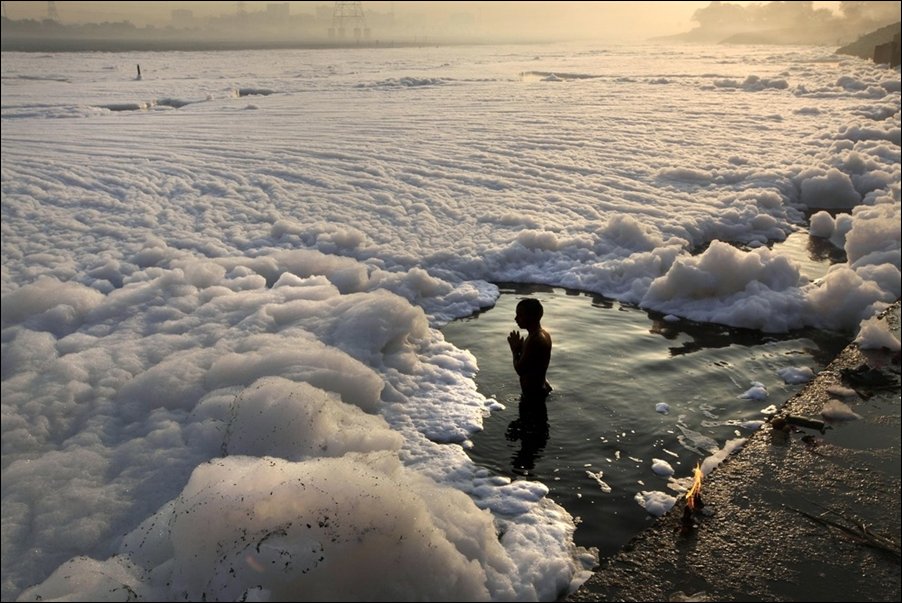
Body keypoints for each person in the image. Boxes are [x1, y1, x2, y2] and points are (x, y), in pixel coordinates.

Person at [507, 298, 552, 402]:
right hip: (540, 389)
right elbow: (533, 365)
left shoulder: (535, 339)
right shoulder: (542, 334)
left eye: (520, 315)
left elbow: (520, 370)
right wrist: (521, 349)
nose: (516, 318)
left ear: (531, 317)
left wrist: (515, 351)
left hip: (534, 396)